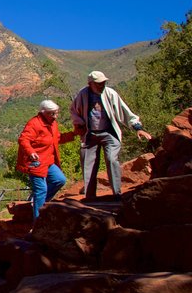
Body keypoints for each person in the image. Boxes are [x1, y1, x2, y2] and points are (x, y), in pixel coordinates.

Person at [69, 70, 151, 201]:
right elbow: (74, 111)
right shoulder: (83, 95)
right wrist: (79, 123)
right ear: (91, 84)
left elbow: (125, 112)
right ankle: (90, 197)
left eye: (103, 82)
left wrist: (137, 128)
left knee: (112, 160)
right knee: (87, 164)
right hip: (90, 134)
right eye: (99, 83)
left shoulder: (110, 93)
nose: (102, 85)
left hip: (109, 132)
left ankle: (117, 194)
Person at [17, 99, 76, 220]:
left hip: (48, 160)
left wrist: (73, 134)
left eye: (56, 113)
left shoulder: (53, 124)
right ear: (43, 112)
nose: (55, 116)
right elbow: (23, 139)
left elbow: (57, 138)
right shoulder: (34, 124)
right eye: (52, 113)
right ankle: (38, 221)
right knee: (41, 189)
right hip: (35, 163)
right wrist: (31, 152)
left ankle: (40, 203)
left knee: (59, 180)